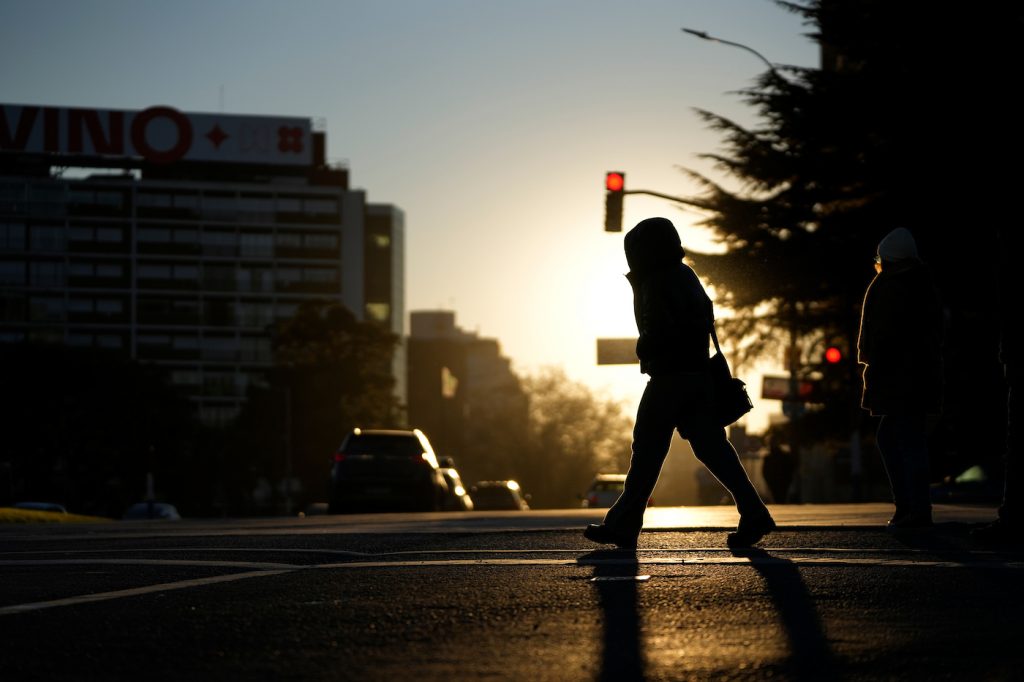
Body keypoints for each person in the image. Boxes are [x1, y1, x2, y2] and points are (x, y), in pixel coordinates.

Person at [584, 217, 774, 550]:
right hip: (698, 376)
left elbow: (659, 331)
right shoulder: (685, 275)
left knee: (646, 449)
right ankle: (753, 511)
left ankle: (624, 524)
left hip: (670, 378)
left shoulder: (657, 280)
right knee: (713, 448)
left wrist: (643, 347)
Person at [857, 227, 943, 529]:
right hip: (912, 377)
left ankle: (914, 511)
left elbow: (885, 336)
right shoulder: (918, 283)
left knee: (903, 440)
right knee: (902, 439)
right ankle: (912, 508)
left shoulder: (894, 285)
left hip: (901, 378)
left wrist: (879, 369)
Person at [972, 227, 1021, 545]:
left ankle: (1014, 518)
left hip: (1017, 355)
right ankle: (1013, 516)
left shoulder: (1007, 254)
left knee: (1016, 440)